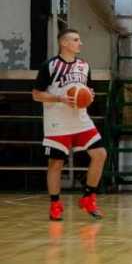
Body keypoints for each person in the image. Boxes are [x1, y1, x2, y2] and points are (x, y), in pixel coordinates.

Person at [32, 28, 107, 221]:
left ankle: (89, 197)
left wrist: (89, 96)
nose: (80, 43)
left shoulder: (84, 65)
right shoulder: (50, 65)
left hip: (80, 119)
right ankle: (55, 204)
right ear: (64, 43)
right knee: (56, 163)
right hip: (58, 121)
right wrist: (59, 98)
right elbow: (36, 94)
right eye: (76, 39)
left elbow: (87, 90)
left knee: (100, 154)